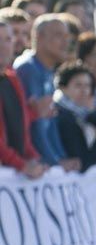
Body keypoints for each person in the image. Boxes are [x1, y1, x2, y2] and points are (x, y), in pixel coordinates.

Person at [14, 14, 77, 170]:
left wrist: (61, 157)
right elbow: (35, 125)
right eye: (58, 35)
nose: (65, 42)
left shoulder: (47, 71)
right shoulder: (28, 70)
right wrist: (55, 163)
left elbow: (50, 123)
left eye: (67, 36)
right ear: (39, 37)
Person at [0, 19, 45, 177]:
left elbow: (21, 129)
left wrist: (34, 159)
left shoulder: (13, 80)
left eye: (7, 39)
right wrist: (22, 165)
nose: (3, 46)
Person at [54, 62, 96, 171]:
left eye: (87, 86)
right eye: (78, 85)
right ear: (63, 88)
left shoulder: (86, 114)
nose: (84, 91)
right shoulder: (62, 116)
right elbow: (83, 162)